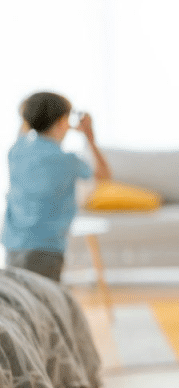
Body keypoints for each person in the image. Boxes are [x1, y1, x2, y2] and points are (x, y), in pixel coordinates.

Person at [3, 91, 111, 282]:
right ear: (62, 122)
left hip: (14, 243)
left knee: (21, 297)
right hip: (47, 246)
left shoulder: (17, 151)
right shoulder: (68, 161)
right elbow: (104, 176)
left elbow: (25, 128)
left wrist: (31, 114)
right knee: (46, 300)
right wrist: (89, 136)